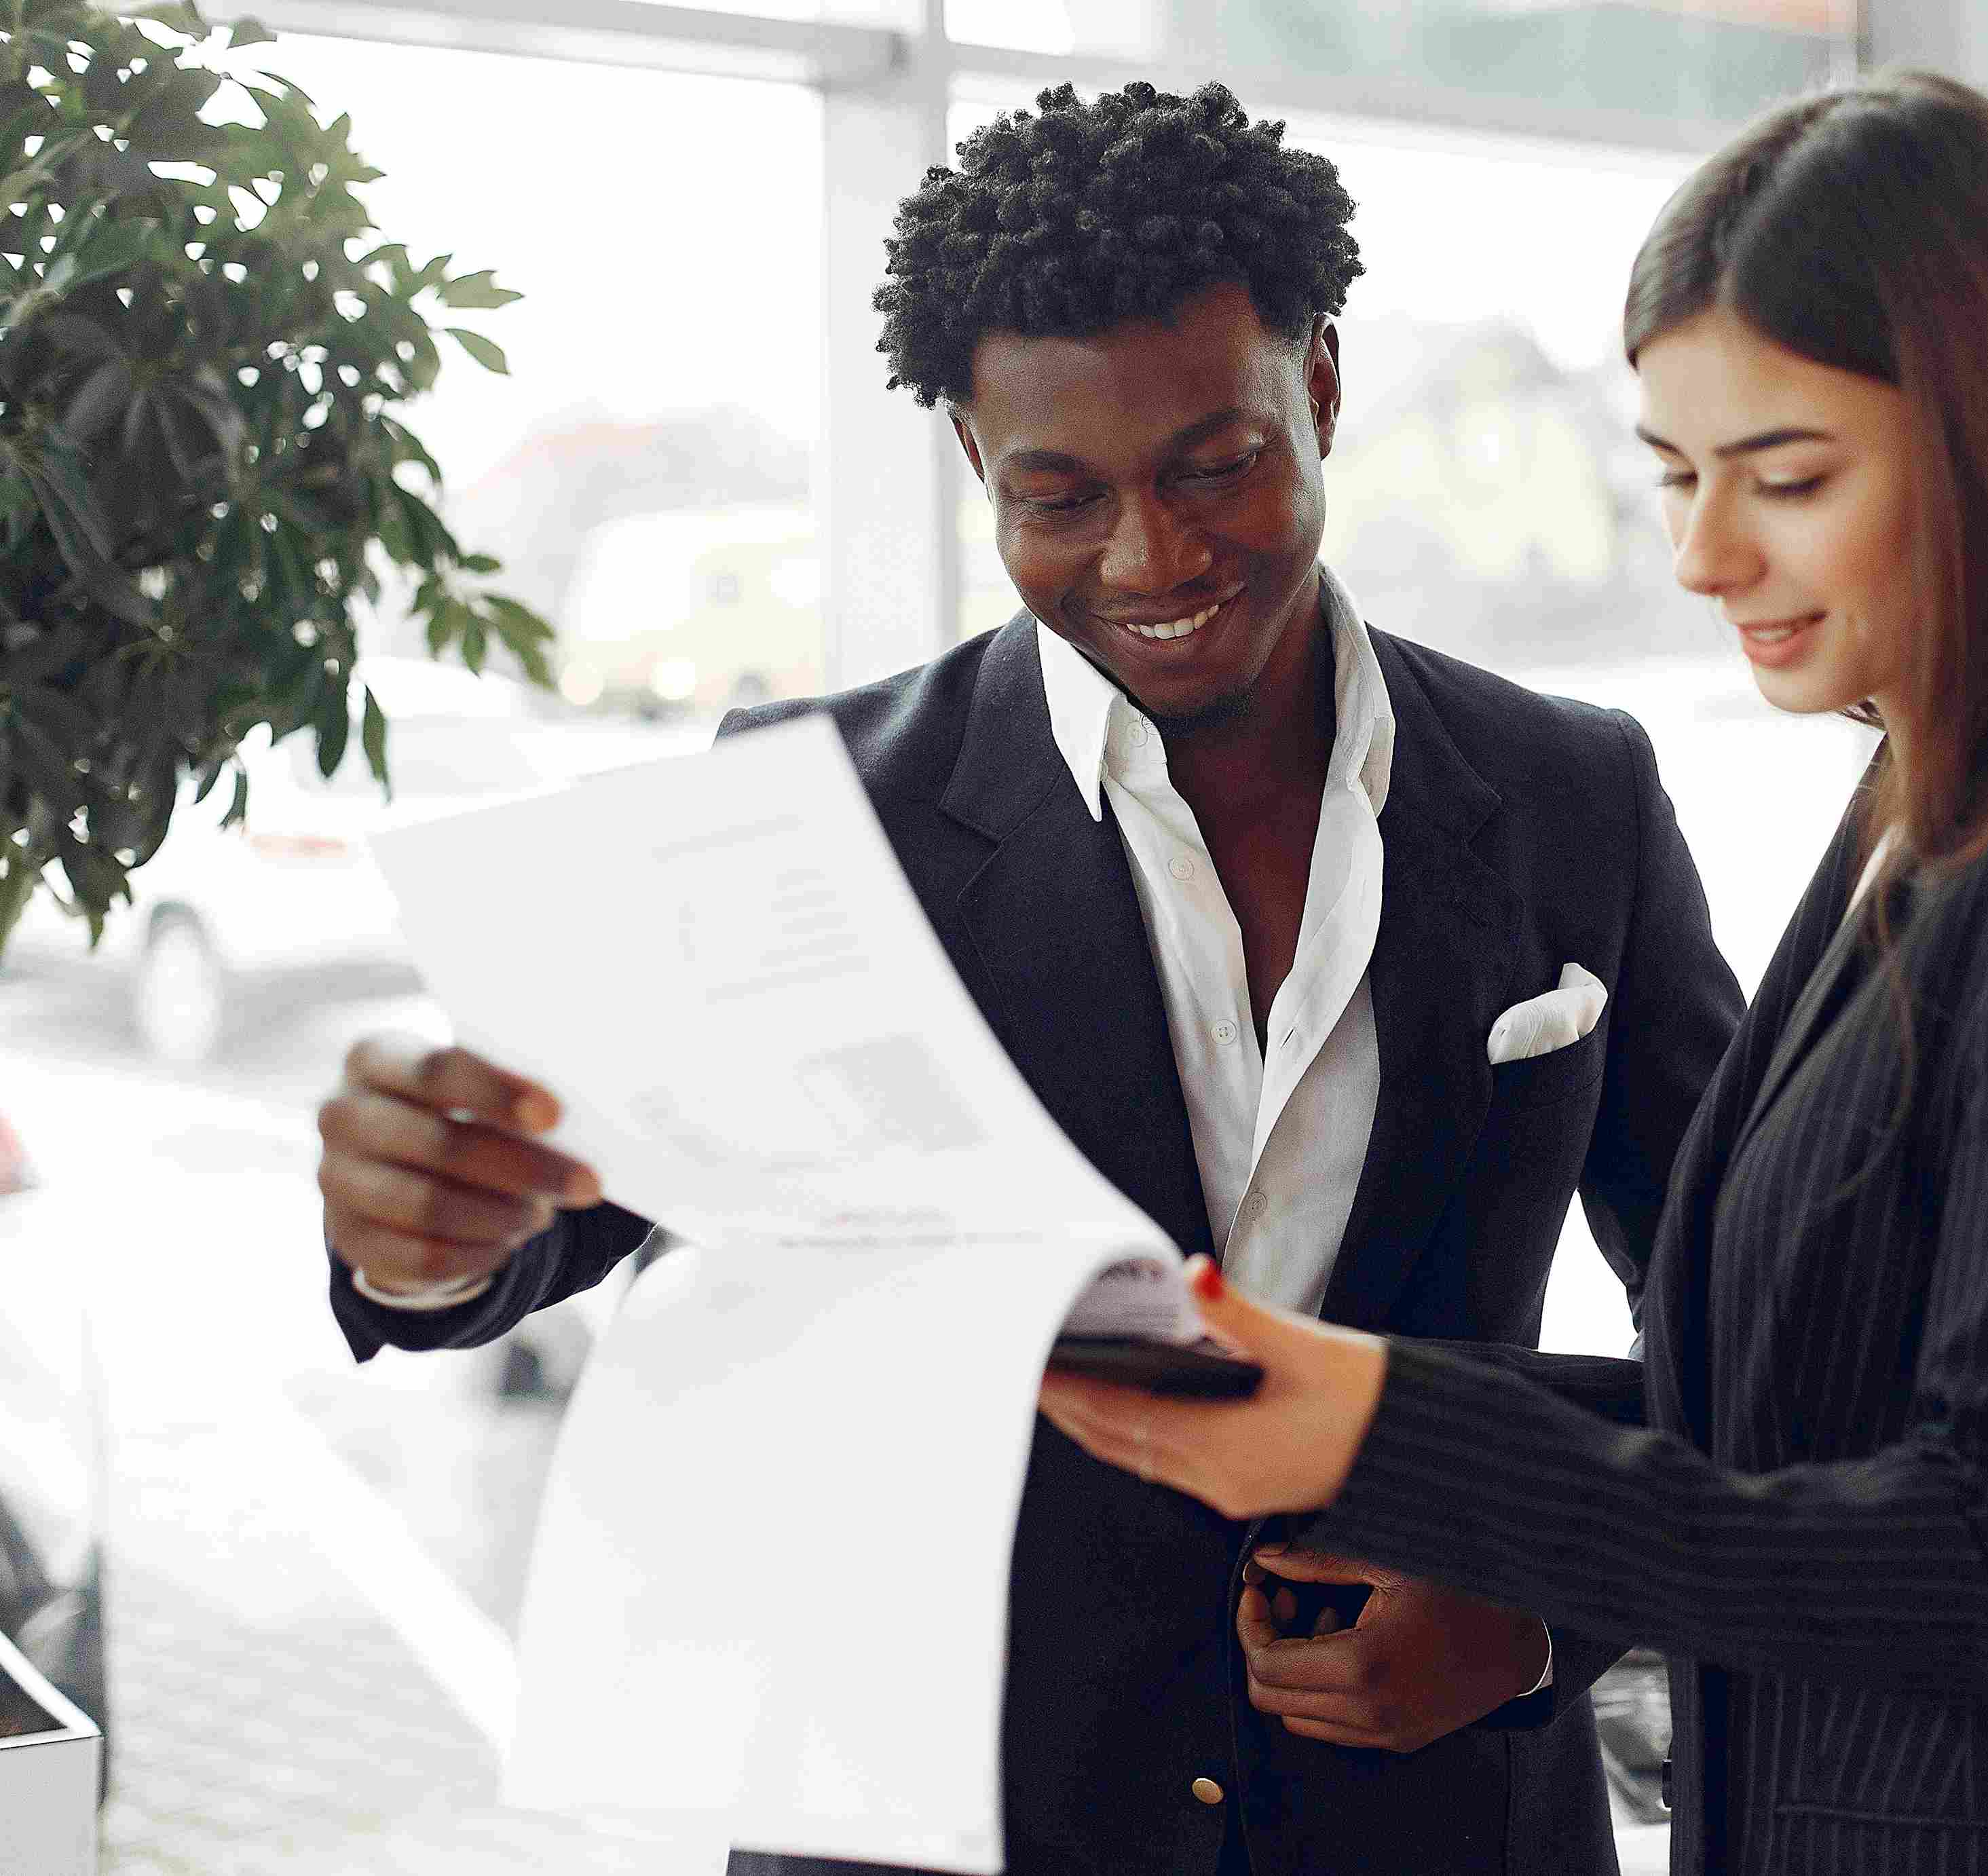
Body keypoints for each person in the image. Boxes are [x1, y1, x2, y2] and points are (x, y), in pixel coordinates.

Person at [310, 80, 1744, 1876]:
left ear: (1317, 382)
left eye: (1213, 464)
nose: (1155, 559)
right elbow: (553, 1216)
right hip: (951, 1829)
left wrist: (1545, 1606)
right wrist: (417, 1227)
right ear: (979, 467)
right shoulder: (817, 809)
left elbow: (1755, 1318)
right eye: (1060, 496)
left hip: (1435, 1818)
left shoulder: (1568, 790)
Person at [1038, 71, 1988, 1876]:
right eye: (1673, 476)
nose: (1700, 554)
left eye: (1786, 477)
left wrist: (1383, 1425)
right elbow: (1779, 1412)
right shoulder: (1921, 804)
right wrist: (1348, 1418)